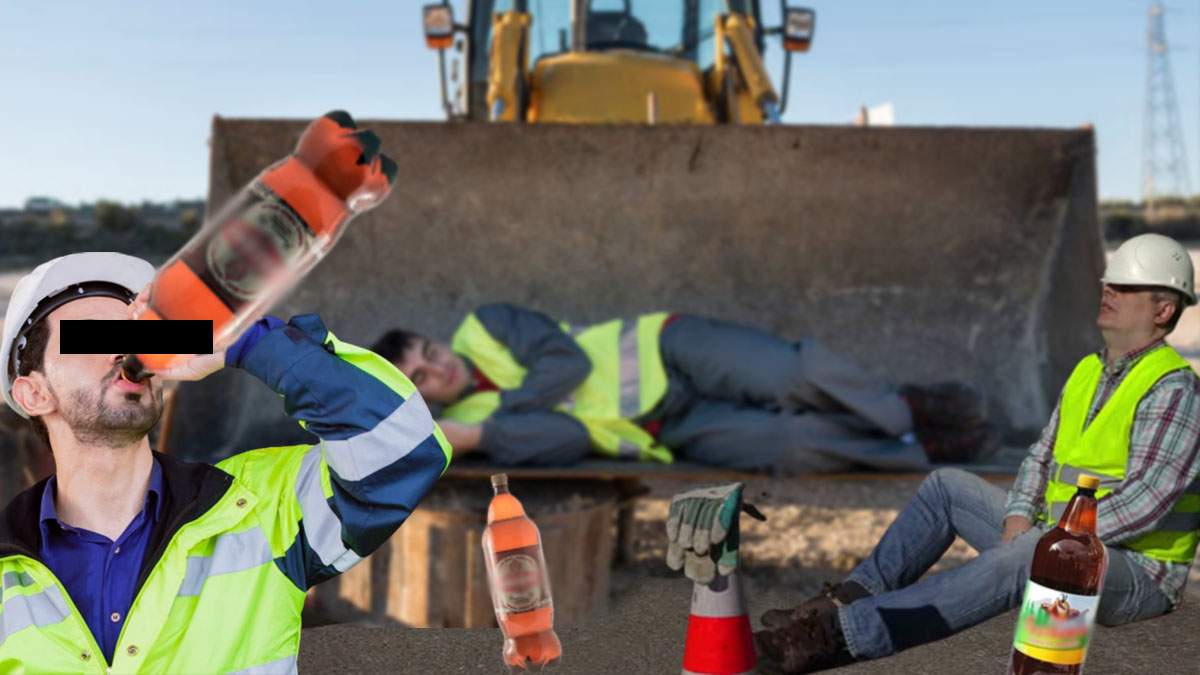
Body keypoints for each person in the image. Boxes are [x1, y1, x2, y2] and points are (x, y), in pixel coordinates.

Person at [752, 233, 1200, 672]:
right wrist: (1021, 515)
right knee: (947, 487)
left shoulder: (1173, 387)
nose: (1109, 291)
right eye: (1110, 283)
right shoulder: (1089, 370)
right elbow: (1041, 455)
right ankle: (840, 604)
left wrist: (1049, 539)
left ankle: (842, 635)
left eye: (1126, 287)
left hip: (1138, 573)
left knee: (1030, 555)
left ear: (1163, 309)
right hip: (1057, 537)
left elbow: (1148, 503)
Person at [0, 252, 450, 671]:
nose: (124, 351)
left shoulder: (258, 507)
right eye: (91, 337)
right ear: (33, 392)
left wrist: (246, 342)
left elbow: (403, 449)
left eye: (137, 334)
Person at [370, 304, 992, 471]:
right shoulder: (474, 426)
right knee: (789, 445)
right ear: (421, 398)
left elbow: (566, 363)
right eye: (423, 377)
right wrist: (480, 436)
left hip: (669, 348)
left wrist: (503, 413)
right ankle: (917, 448)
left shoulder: (485, 326)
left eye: (430, 351)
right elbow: (563, 439)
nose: (439, 366)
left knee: (790, 375)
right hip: (666, 430)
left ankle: (906, 405)